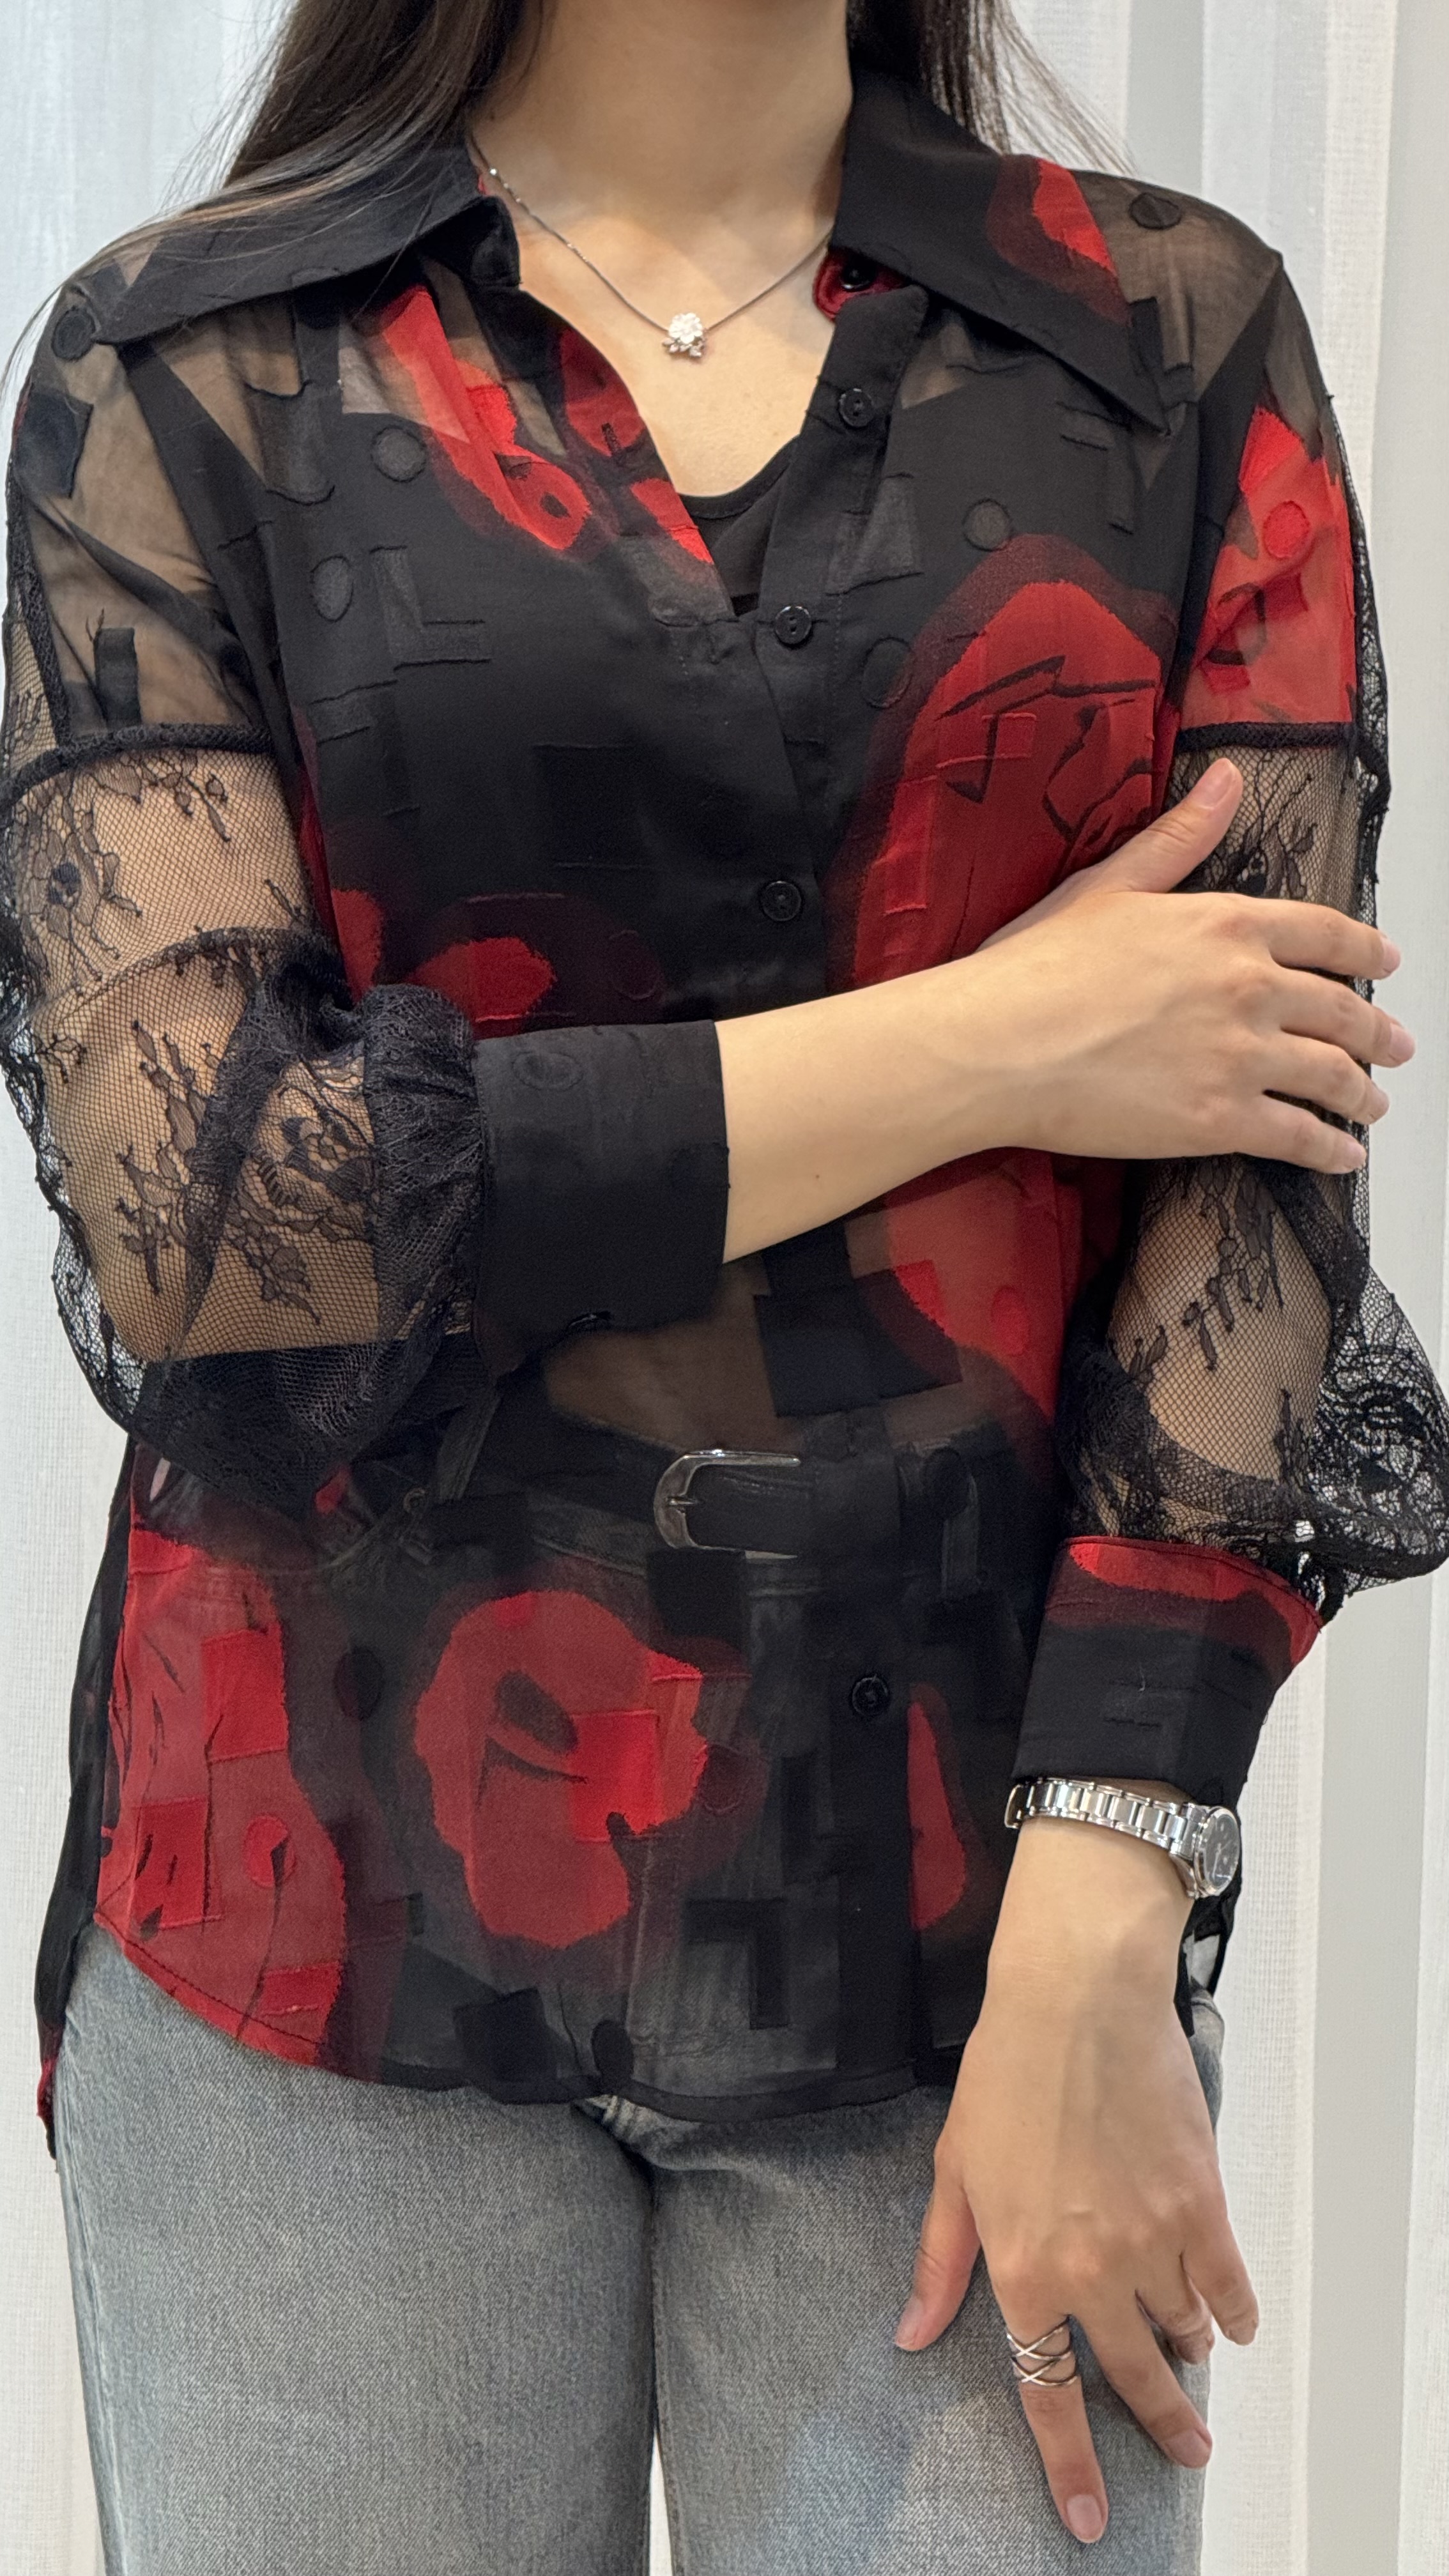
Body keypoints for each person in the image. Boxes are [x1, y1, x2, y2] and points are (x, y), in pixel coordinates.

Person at [3, 1, 1445, 2568]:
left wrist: (1113, 1895)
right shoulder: (185, 363)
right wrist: (1001, 1040)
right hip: (312, 1947)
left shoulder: (1161, 340)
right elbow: (211, 1210)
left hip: (981, 1952)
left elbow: (1254, 1153)